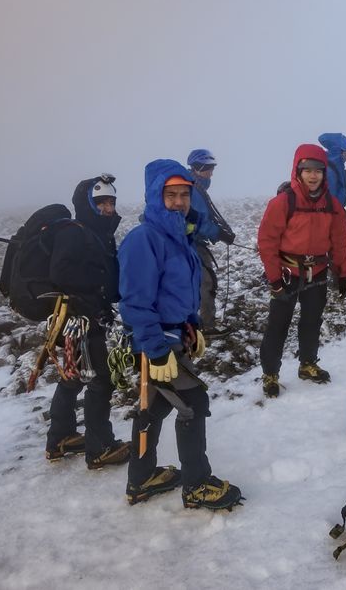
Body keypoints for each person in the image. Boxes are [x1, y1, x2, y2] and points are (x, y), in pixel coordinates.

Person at [119, 159, 243, 511]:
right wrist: (155, 350)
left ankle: (141, 478)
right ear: (155, 197)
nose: (178, 201)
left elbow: (181, 291)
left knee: (155, 405)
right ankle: (197, 485)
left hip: (174, 337)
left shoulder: (180, 237)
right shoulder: (144, 239)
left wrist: (193, 325)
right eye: (170, 195)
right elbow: (135, 303)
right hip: (156, 342)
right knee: (193, 404)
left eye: (183, 194)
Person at [44, 175, 130, 470]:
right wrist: (99, 287)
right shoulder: (75, 232)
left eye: (111, 202)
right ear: (87, 204)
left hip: (80, 317)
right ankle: (100, 447)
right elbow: (60, 273)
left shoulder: (96, 233)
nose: (108, 208)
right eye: (101, 202)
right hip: (80, 318)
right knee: (101, 379)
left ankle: (60, 438)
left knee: (74, 375)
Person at [256, 144, 346, 398]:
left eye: (318, 170)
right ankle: (270, 374)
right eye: (307, 170)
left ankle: (307, 364)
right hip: (287, 273)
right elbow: (267, 241)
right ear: (297, 171)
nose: (312, 175)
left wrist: (343, 273)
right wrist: (274, 278)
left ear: (324, 173)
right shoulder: (282, 203)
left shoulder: (332, 206)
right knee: (278, 324)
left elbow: (340, 240)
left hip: (317, 271)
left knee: (312, 321)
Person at [186, 149, 237, 338]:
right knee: (206, 282)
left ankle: (193, 324)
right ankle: (206, 326)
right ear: (199, 168)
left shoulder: (194, 187)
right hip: (191, 244)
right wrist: (220, 234)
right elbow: (199, 221)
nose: (211, 173)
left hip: (190, 242)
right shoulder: (194, 190)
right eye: (208, 168)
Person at [317, 133, 346, 209]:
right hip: (332, 215)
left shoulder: (336, 168)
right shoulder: (330, 172)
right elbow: (330, 201)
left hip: (336, 213)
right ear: (341, 151)